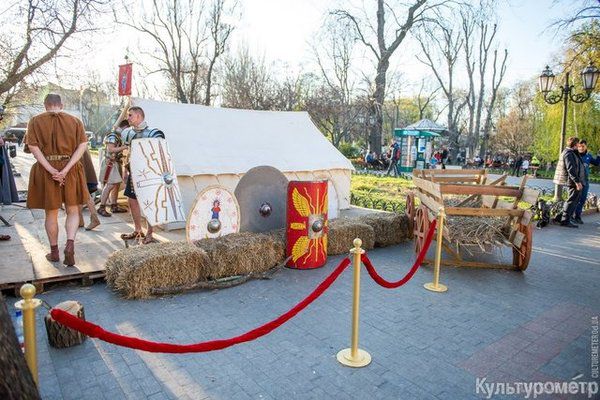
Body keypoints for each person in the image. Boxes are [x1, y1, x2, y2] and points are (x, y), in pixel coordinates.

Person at [24, 94, 88, 265]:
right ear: (61, 104)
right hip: (71, 170)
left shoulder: (35, 121)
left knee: (51, 213)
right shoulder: (75, 121)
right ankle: (70, 245)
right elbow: (82, 146)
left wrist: (52, 170)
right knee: (73, 210)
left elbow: (33, 147)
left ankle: (54, 252)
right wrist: (65, 170)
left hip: (47, 171)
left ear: (45, 105)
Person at [120, 106, 165, 244]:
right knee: (132, 200)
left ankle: (150, 232)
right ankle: (138, 230)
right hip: (133, 172)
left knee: (149, 203)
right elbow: (127, 154)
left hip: (149, 173)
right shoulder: (128, 133)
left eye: (130, 115)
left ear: (139, 116)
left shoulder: (153, 133)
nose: (128, 118)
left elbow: (160, 155)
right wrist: (125, 171)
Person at [97, 120, 129, 217]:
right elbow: (110, 149)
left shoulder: (119, 136)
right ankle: (101, 207)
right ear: (125, 127)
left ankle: (114, 206)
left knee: (116, 185)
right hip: (110, 163)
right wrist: (124, 147)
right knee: (110, 185)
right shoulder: (113, 136)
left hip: (116, 163)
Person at [553, 137, 585, 228]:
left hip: (574, 181)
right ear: (575, 144)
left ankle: (559, 218)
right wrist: (577, 182)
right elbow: (571, 169)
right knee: (571, 201)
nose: (579, 145)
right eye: (578, 144)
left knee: (573, 200)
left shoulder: (572, 152)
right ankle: (565, 221)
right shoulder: (568, 153)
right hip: (572, 181)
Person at [573, 140, 600, 224]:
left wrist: (599, 155)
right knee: (575, 199)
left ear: (586, 147)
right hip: (576, 181)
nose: (581, 148)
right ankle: (570, 216)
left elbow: (596, 163)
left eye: (583, 146)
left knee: (582, 199)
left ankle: (577, 217)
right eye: (579, 146)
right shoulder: (574, 155)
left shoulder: (588, 156)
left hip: (585, 181)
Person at [79, 149, 101, 230]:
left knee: (83, 192)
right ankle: (80, 220)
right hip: (81, 164)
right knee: (81, 193)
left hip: (78, 165)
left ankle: (93, 219)